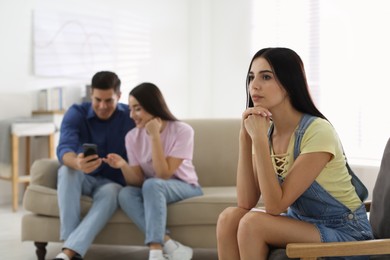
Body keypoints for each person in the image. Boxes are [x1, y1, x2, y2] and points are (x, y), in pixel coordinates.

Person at [216, 47, 373, 260]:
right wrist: (245, 138)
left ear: (289, 83)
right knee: (229, 218)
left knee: (252, 223)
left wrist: (260, 141)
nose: (254, 85)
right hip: (301, 222)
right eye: (251, 77)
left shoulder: (318, 131)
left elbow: (274, 206)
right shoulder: (264, 131)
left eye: (266, 77)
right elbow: (245, 202)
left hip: (346, 231)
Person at [103, 82, 203, 260]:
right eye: (131, 109)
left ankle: (155, 251)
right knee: (125, 193)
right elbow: (137, 181)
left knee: (153, 184)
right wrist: (123, 166)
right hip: (153, 187)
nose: (132, 115)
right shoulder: (132, 137)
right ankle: (171, 246)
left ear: (152, 106)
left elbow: (163, 174)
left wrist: (154, 136)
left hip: (186, 186)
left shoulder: (183, 131)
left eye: (138, 109)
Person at [54, 71, 136, 260]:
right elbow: (64, 148)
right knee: (67, 170)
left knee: (113, 192)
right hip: (83, 178)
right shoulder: (77, 112)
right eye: (97, 99)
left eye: (109, 101)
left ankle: (67, 254)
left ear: (119, 96)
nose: (102, 106)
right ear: (91, 95)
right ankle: (70, 244)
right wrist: (77, 162)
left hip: (111, 183)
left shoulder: (130, 117)